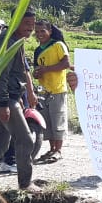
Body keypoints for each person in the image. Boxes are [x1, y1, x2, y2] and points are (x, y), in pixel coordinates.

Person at [0, 11, 41, 193]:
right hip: (4, 98)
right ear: (16, 22)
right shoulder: (7, 42)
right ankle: (25, 184)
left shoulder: (14, 40)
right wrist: (4, 104)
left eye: (32, 23)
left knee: (0, 142)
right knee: (26, 140)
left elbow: (14, 73)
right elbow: (0, 74)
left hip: (3, 97)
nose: (30, 27)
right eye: (27, 22)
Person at [32, 20, 71, 163]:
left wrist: (46, 69)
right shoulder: (38, 50)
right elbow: (36, 69)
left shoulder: (58, 45)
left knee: (58, 120)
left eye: (43, 31)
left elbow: (66, 63)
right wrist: (37, 74)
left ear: (49, 31)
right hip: (43, 90)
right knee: (47, 121)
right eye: (37, 31)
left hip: (57, 89)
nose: (40, 34)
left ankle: (58, 150)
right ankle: (52, 148)